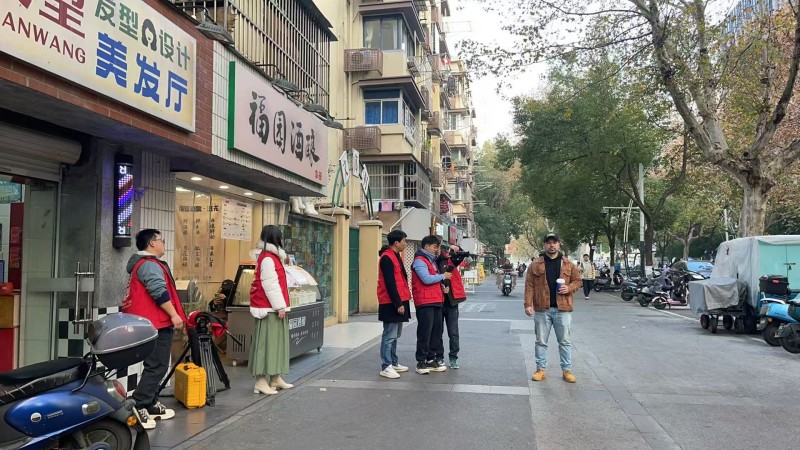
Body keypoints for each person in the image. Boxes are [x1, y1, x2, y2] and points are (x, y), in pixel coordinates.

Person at [122, 229, 186, 430]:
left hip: (152, 322)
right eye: (161, 240)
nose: (163, 243)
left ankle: (150, 403)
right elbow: (158, 291)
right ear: (151, 243)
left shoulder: (144, 264)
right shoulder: (148, 265)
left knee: (157, 364)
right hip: (154, 323)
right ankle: (139, 405)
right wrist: (174, 314)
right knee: (157, 365)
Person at [524, 233, 582, 383]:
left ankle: (567, 370)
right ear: (544, 245)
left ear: (559, 244)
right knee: (541, 341)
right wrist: (528, 304)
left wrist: (568, 288)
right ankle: (540, 369)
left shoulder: (568, 264)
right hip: (542, 309)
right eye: (548, 242)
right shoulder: (535, 264)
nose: (551, 245)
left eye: (554, 242)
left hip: (563, 309)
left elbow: (578, 281)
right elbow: (529, 285)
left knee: (565, 341)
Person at [249, 225, 293, 395]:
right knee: (265, 345)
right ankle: (260, 381)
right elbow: (270, 285)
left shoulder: (270, 257)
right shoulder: (268, 258)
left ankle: (275, 378)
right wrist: (280, 306)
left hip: (271, 308)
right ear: (276, 238)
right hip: (268, 309)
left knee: (275, 344)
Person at [411, 235, 452, 374]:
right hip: (425, 301)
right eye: (435, 247)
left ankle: (430, 359)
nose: (437, 250)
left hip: (436, 300)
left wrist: (442, 286)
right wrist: (442, 276)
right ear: (426, 246)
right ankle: (421, 362)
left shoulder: (432, 261)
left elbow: (433, 280)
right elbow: (426, 279)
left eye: (438, 247)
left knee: (436, 332)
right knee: (425, 332)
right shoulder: (419, 261)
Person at [377, 230, 412, 379]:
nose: (405, 244)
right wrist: (398, 303)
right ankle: (386, 366)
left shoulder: (396, 256)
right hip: (390, 302)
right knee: (389, 335)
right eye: (404, 241)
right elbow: (390, 283)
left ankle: (393, 362)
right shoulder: (387, 258)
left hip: (400, 299)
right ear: (396, 243)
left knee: (395, 334)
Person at [435, 244, 468, 369]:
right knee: (438, 332)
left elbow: (462, 255)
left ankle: (453, 357)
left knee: (453, 332)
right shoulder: (434, 262)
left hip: (451, 302)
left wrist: (457, 248)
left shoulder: (452, 261)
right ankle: (439, 357)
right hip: (438, 300)